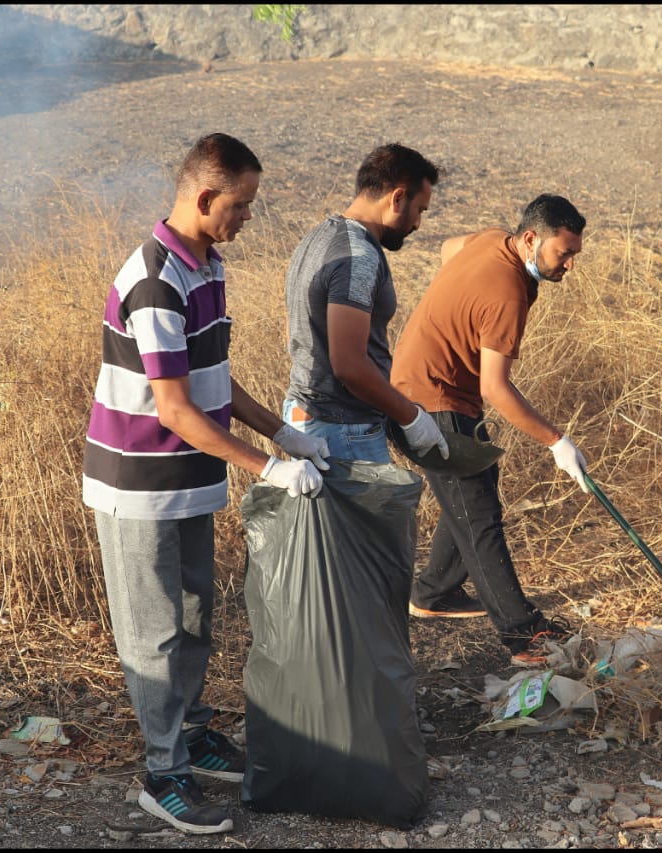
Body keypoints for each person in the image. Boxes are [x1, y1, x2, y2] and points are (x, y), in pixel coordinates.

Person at [82, 132, 329, 835]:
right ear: (205, 196)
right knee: (153, 632)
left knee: (194, 613)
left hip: (188, 477)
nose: (249, 216)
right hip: (140, 483)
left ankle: (190, 730)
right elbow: (176, 409)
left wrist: (281, 432)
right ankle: (164, 775)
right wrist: (269, 466)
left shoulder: (207, 264)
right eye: (242, 205)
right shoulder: (158, 280)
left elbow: (213, 378)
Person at [391, 194, 589, 663]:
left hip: (416, 388)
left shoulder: (488, 242)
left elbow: (447, 249)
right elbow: (496, 388)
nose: (570, 266)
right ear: (530, 239)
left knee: (473, 493)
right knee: (480, 519)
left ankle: (433, 593)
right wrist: (557, 441)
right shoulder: (508, 293)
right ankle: (524, 635)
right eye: (564, 254)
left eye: (575, 254)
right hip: (432, 405)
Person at [282, 142, 449, 471]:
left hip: (309, 417)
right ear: (397, 198)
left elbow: (293, 331)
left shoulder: (316, 238)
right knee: (369, 525)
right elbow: (348, 364)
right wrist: (411, 417)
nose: (418, 224)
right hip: (342, 428)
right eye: (420, 210)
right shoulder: (358, 256)